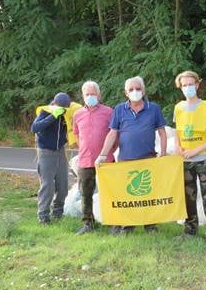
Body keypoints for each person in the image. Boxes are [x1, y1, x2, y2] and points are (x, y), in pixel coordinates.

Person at [95, 76, 167, 235]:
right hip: (126, 160)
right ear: (126, 93)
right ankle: (128, 225)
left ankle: (150, 226)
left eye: (138, 88)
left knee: (148, 195)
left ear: (144, 90)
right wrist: (102, 155)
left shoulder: (153, 108)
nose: (135, 92)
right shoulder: (120, 109)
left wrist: (163, 154)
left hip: (147, 158)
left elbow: (162, 132)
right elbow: (113, 133)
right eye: (131, 89)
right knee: (128, 195)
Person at [173, 70, 206, 241]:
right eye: (184, 85)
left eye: (190, 84)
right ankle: (190, 231)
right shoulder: (178, 108)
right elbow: (177, 132)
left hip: (203, 159)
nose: (188, 88)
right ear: (180, 88)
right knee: (188, 197)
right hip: (185, 161)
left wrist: (196, 150)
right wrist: (177, 146)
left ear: (197, 85)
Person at [72, 81, 115, 235]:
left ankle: (113, 223)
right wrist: (84, 149)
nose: (90, 97)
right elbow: (77, 135)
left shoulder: (109, 112)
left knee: (109, 192)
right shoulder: (77, 114)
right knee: (85, 193)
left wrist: (109, 152)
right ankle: (88, 224)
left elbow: (114, 134)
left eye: (93, 94)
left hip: (106, 160)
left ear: (99, 95)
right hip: (85, 161)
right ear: (83, 96)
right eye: (87, 94)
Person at [31, 92, 71, 224]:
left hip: (60, 151)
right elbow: (35, 127)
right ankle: (43, 215)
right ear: (54, 103)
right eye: (61, 107)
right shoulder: (45, 111)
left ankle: (58, 212)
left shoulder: (67, 113)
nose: (63, 109)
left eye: (65, 108)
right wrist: (53, 116)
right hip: (46, 151)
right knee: (48, 185)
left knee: (63, 184)